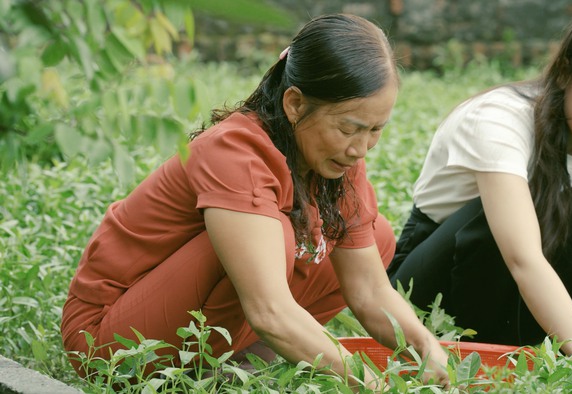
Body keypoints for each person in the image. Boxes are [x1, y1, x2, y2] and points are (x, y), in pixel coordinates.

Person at [61, 13, 450, 388]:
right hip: (109, 341)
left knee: (374, 236)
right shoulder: (235, 152)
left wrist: (425, 345)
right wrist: (371, 384)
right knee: (275, 235)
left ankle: (234, 365)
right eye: (348, 128)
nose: (360, 148)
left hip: (189, 316)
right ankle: (207, 366)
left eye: (375, 130)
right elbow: (270, 311)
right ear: (295, 103)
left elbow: (368, 289)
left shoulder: (335, 160)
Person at [387, 2, 572, 356]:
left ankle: (548, 347)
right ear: (566, 71)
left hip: (524, 296)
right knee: (512, 214)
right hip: (440, 286)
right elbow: (523, 258)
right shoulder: (499, 119)